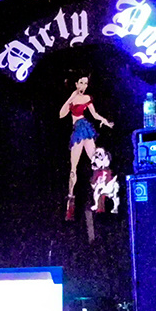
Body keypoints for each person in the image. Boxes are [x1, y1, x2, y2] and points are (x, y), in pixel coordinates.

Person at [60, 75, 114, 221]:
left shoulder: (87, 98)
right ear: (76, 84)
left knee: (96, 163)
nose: (84, 86)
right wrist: (71, 98)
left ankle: (101, 199)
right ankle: (70, 202)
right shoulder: (73, 98)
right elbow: (61, 114)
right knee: (74, 167)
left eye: (86, 83)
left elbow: (94, 114)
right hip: (78, 130)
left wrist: (105, 121)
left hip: (85, 128)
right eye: (81, 83)